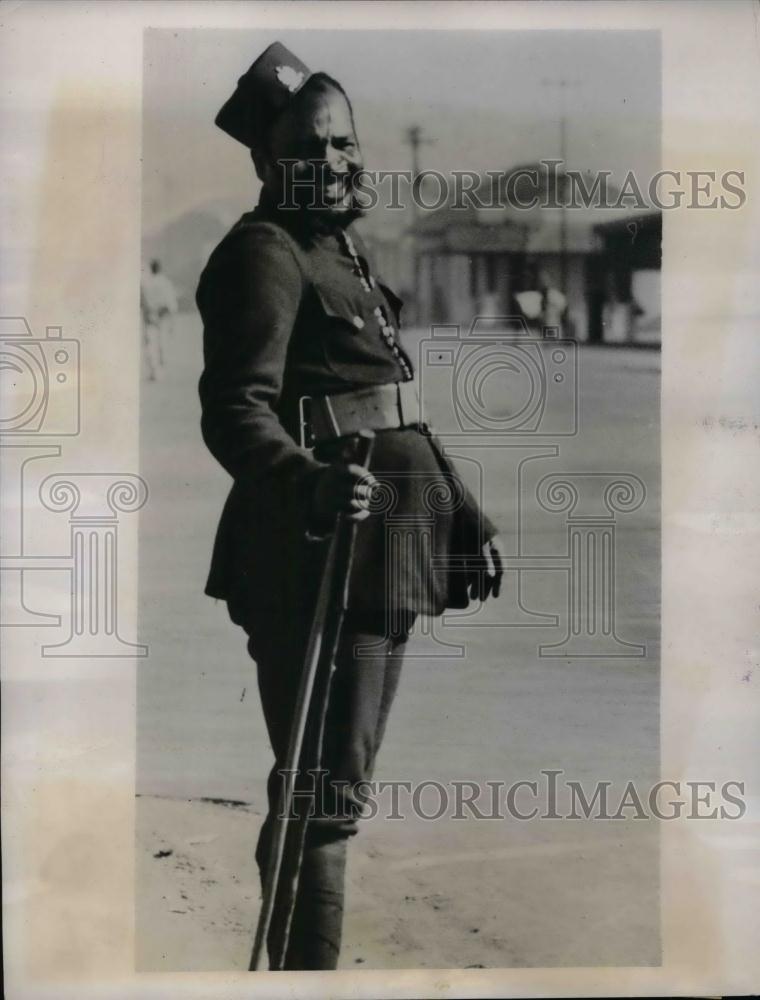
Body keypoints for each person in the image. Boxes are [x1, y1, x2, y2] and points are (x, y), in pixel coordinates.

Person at [197, 41, 505, 971]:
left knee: (332, 785)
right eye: (313, 148)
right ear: (266, 162)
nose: (336, 163)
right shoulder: (265, 253)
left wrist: (464, 511)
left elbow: (389, 401)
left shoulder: (341, 253)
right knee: (326, 792)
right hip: (314, 551)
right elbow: (235, 411)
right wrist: (311, 483)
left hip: (384, 549)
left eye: (344, 144)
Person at [140, 258, 178, 381]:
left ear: (151, 268)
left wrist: (148, 315)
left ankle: (154, 371)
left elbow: (143, 303)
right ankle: (160, 371)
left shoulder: (146, 283)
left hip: (151, 316)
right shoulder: (166, 282)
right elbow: (171, 303)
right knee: (162, 344)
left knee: (151, 344)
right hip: (163, 315)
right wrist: (172, 321)